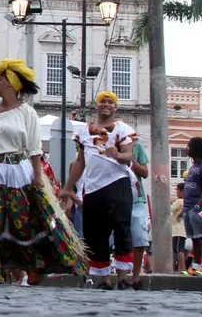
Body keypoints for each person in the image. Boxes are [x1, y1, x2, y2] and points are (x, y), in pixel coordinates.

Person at [0, 59, 84, 285]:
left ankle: (34, 268)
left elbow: (33, 147)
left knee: (22, 223)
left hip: (18, 172)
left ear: (11, 84)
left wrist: (38, 176)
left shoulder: (27, 112)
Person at [61, 91, 136, 290]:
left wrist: (117, 154)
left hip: (117, 183)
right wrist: (68, 187)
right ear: (96, 105)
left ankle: (122, 278)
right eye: (102, 101)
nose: (106, 104)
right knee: (95, 234)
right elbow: (80, 162)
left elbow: (128, 156)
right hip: (93, 188)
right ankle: (104, 280)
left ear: (115, 107)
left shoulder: (122, 129)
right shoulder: (85, 132)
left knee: (121, 228)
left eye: (110, 102)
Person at [182, 136, 202, 277]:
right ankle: (195, 264)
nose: (188, 149)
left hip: (198, 207)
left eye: (190, 146)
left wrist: (199, 205)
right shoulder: (194, 166)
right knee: (194, 237)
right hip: (188, 207)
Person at [130, 137, 150, 289]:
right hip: (115, 196)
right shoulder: (106, 144)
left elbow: (145, 172)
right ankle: (121, 275)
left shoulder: (137, 147)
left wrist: (132, 160)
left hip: (136, 197)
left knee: (140, 238)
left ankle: (136, 276)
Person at [170, 182, 187, 274]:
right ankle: (181, 268)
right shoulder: (186, 202)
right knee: (178, 249)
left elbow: (170, 209)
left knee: (178, 249)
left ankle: (182, 268)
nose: (176, 193)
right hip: (181, 230)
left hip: (178, 230)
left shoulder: (180, 201)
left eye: (177, 190)